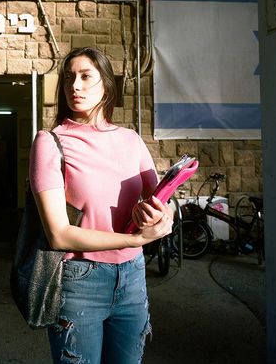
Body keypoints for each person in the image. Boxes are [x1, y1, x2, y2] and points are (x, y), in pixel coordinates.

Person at [29, 47, 174, 363]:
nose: (74, 86)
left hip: (133, 278)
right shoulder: (50, 142)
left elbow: (164, 196)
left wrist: (166, 218)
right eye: (69, 78)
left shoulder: (130, 139)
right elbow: (59, 235)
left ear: (106, 85)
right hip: (80, 280)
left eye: (85, 76)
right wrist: (135, 240)